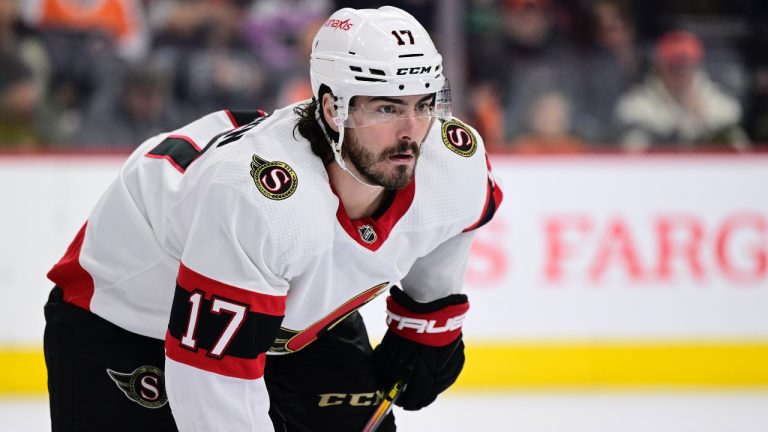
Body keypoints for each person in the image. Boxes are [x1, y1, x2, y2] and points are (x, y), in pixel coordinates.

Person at [43, 6, 502, 432]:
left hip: (287, 317)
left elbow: (454, 220)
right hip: (124, 319)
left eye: (423, 105)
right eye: (386, 108)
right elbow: (212, 388)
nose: (411, 133)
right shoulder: (259, 201)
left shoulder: (451, 159)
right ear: (332, 109)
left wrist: (426, 315)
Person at [613, 30, 750, 152]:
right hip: (660, 174)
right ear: (660, 66)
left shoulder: (715, 99)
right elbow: (632, 147)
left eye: (686, 65)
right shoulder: (639, 102)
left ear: (697, 65)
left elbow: (732, 122)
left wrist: (701, 118)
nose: (681, 71)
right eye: (674, 65)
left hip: (708, 174)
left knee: (735, 135)